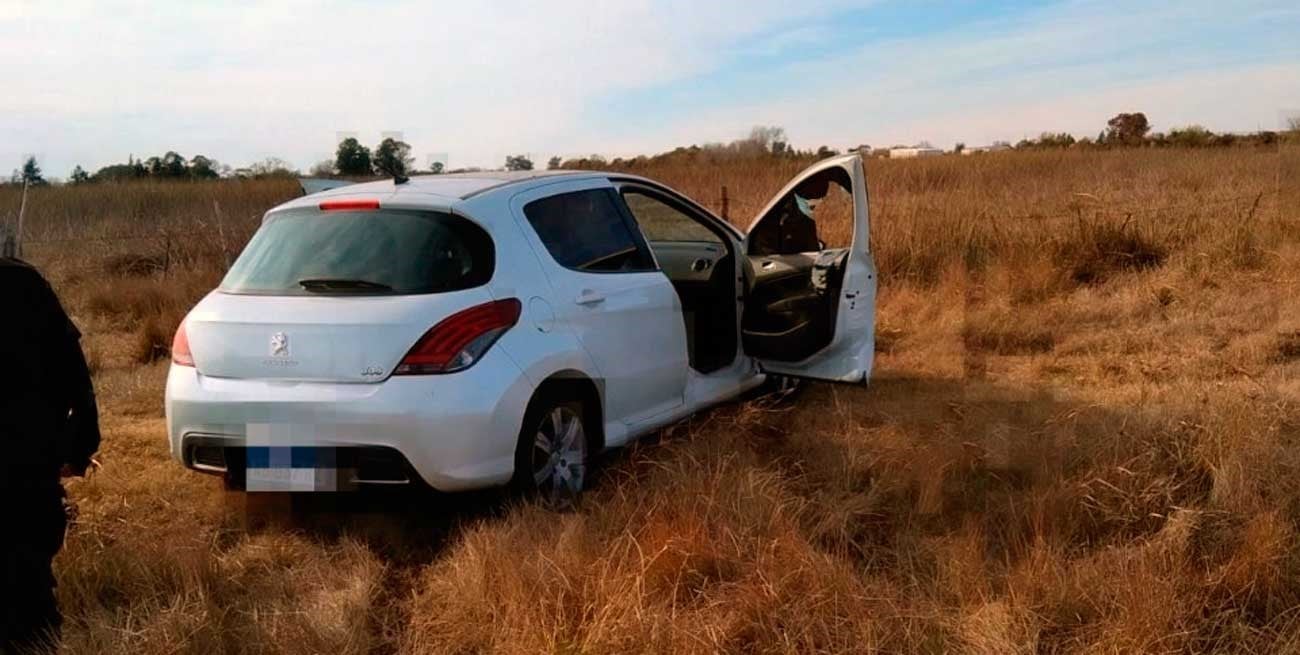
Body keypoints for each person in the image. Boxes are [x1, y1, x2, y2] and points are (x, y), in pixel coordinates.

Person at [0, 256, 100, 654]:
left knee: (27, 597)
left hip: (26, 473)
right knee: (29, 600)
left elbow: (74, 378)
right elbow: (77, 379)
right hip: (29, 471)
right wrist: (78, 446)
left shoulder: (20, 283)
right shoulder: (21, 282)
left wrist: (77, 446)